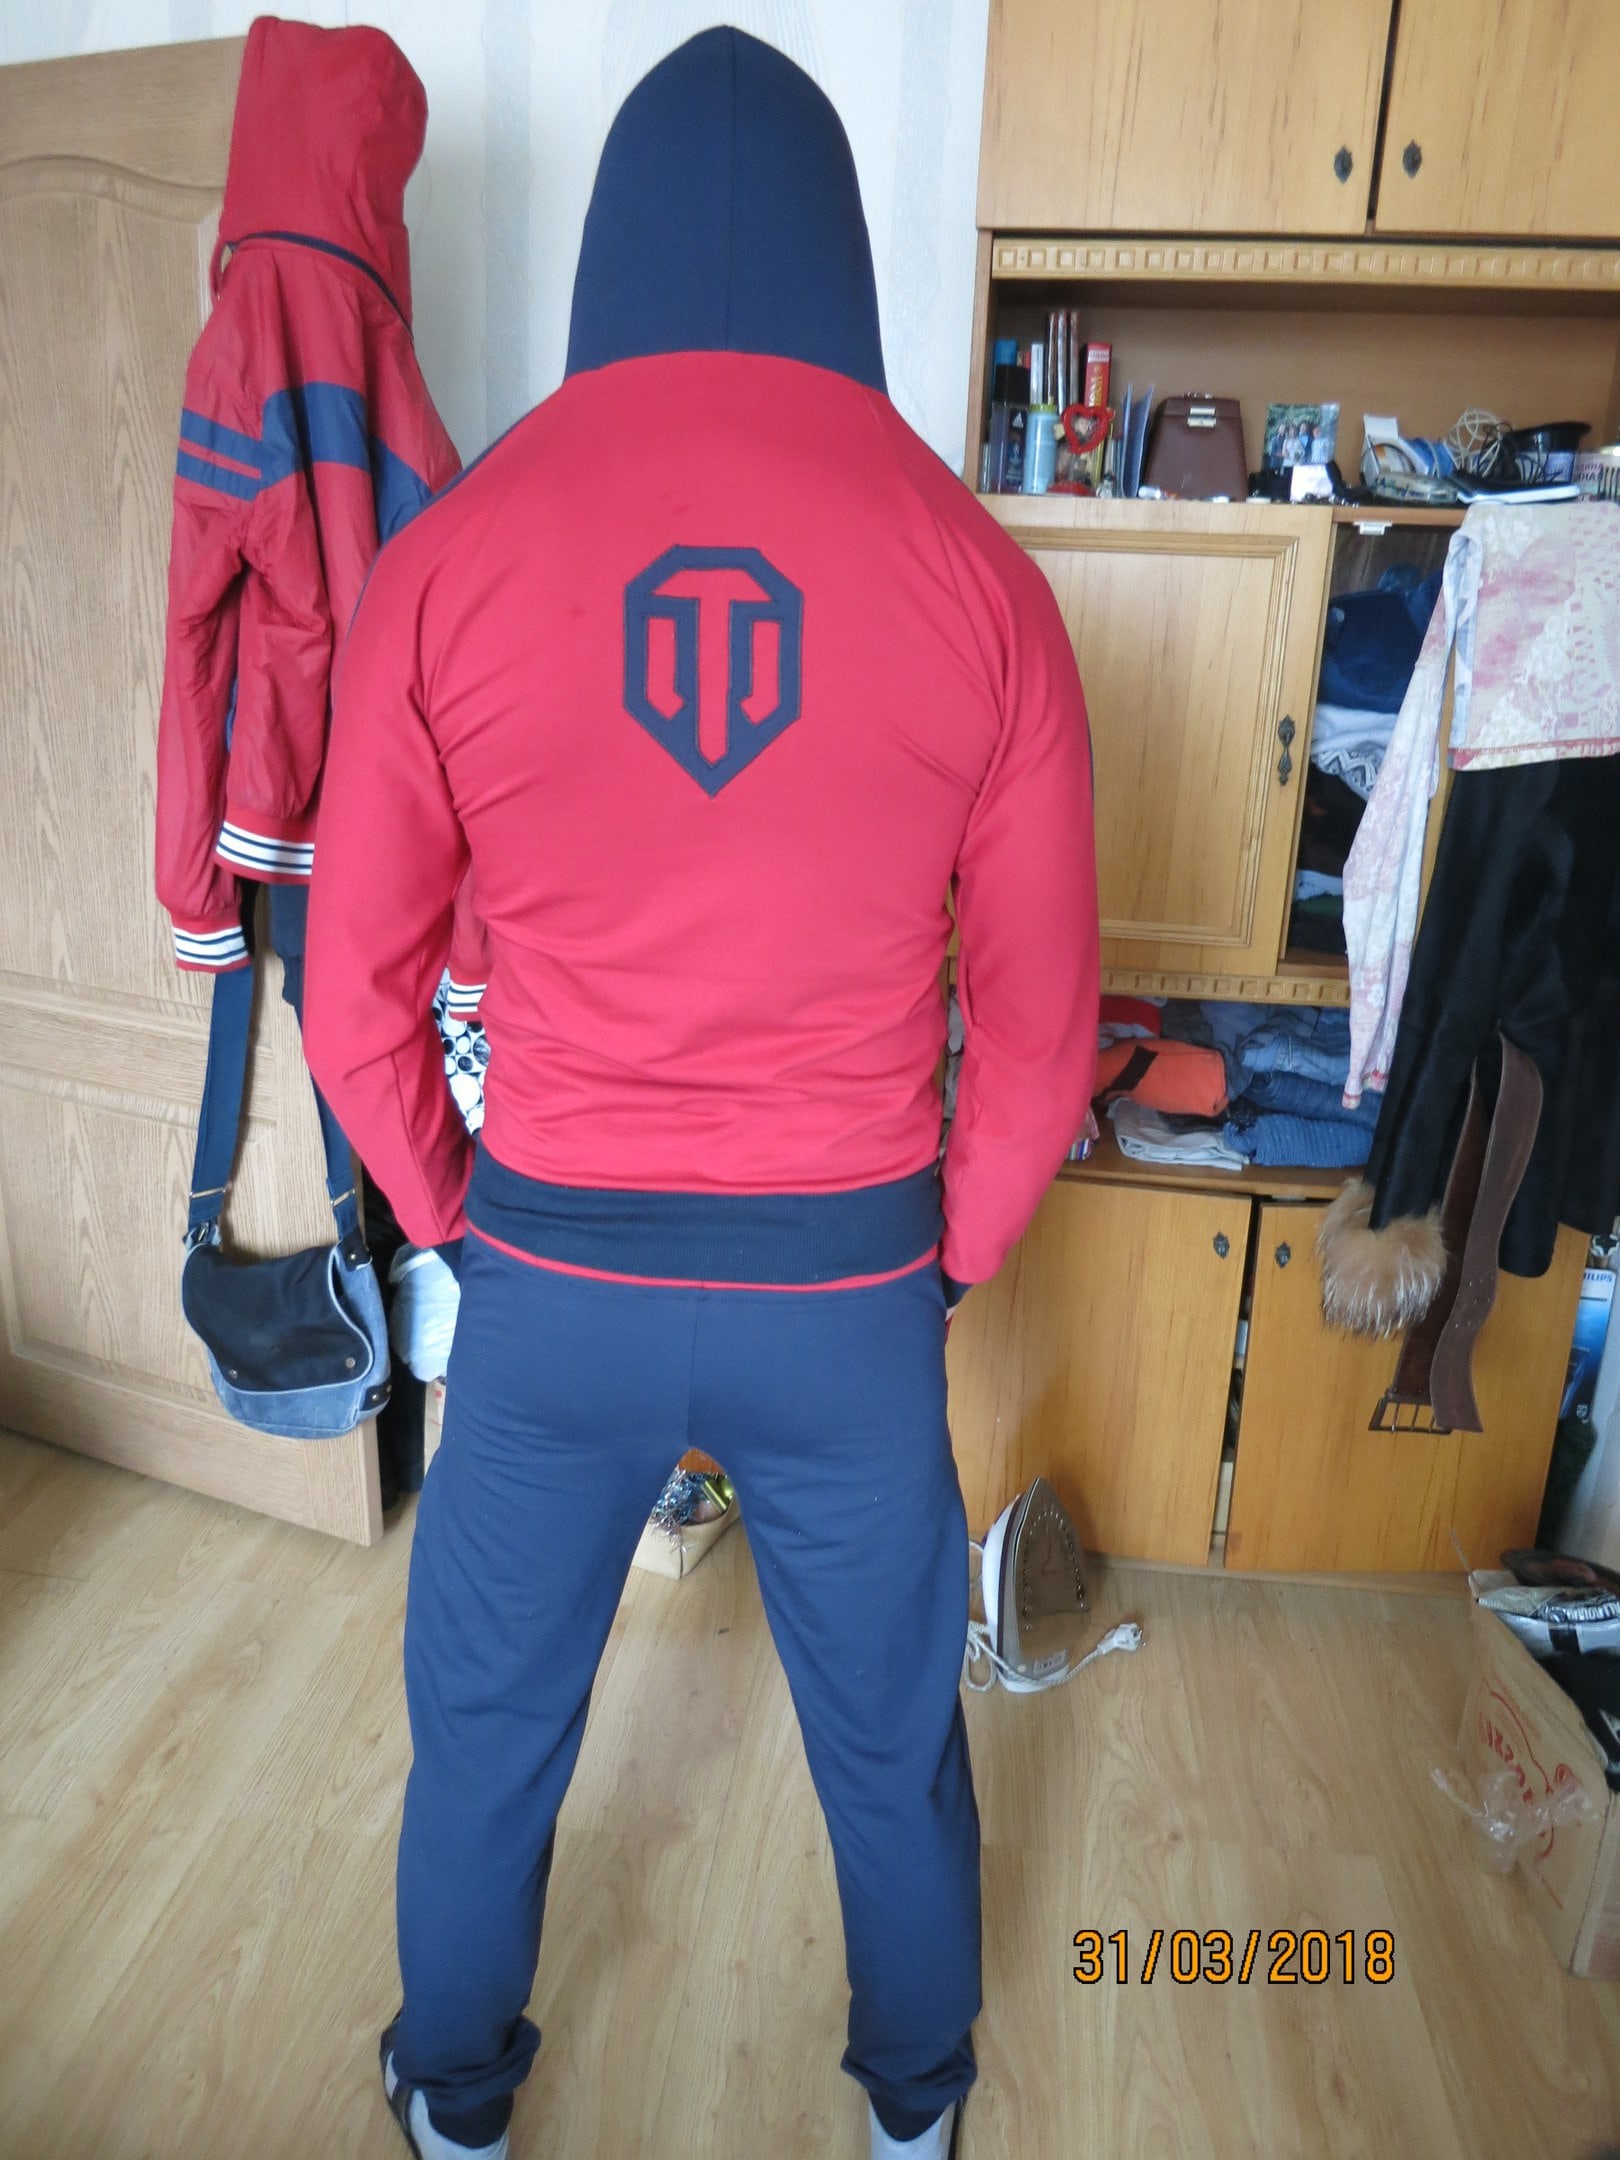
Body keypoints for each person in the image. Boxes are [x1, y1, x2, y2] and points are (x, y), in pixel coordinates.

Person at [305, 28, 1097, 2160]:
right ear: (844, 248)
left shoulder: (444, 562)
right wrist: (949, 1260)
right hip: (845, 1296)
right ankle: (915, 2109)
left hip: (553, 1278)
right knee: (888, 1743)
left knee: (486, 1731)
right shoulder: (985, 577)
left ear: (609, 241)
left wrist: (461, 1218)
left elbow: (353, 993)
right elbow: (1040, 1037)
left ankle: (455, 2095)